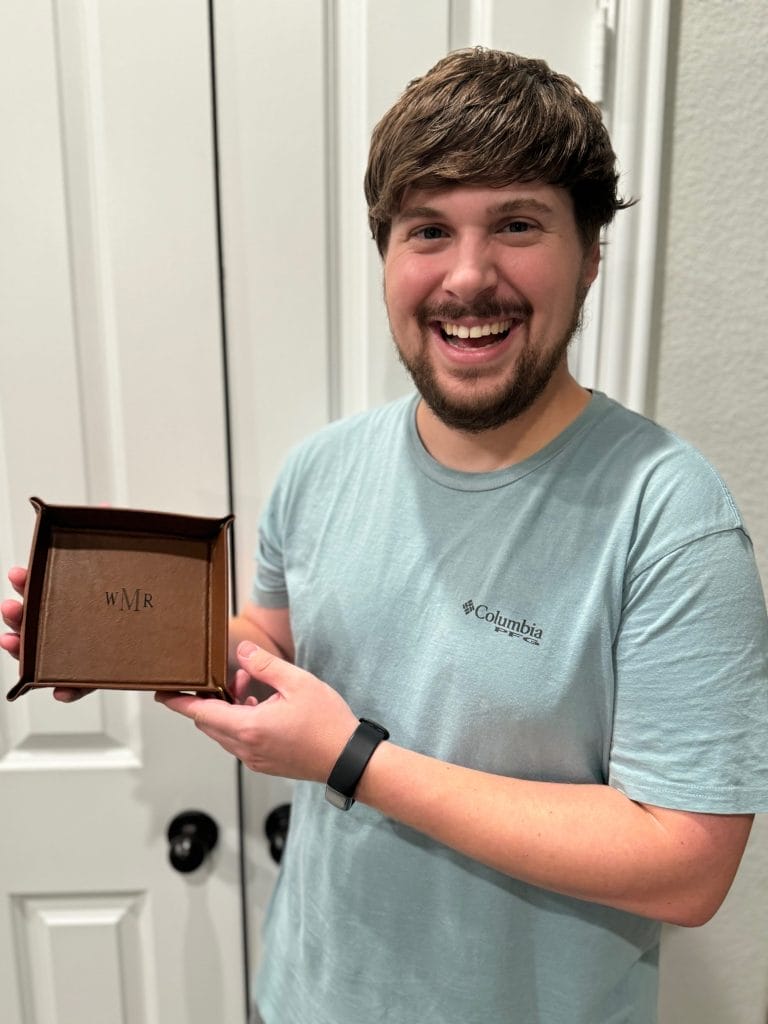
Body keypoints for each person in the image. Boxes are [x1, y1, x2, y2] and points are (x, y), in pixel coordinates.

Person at [3, 47, 767, 1024]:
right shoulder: (321, 469)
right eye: (428, 230)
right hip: (305, 996)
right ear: (388, 254)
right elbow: (272, 639)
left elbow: (689, 860)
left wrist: (349, 756)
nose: (468, 275)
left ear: (592, 250)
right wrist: (128, 643)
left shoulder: (670, 515)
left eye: (518, 225)